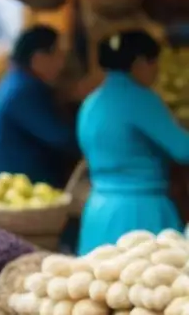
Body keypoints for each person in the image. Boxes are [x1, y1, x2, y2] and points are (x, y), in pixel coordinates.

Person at [77, 30, 189, 254]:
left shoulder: (91, 102)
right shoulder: (141, 99)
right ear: (140, 63)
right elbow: (183, 149)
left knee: (95, 281)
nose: (156, 71)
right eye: (154, 63)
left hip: (98, 211)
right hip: (140, 214)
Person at [0, 25, 79, 188]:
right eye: (58, 55)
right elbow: (62, 137)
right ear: (39, 58)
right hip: (23, 189)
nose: (62, 63)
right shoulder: (24, 90)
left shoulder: (16, 81)